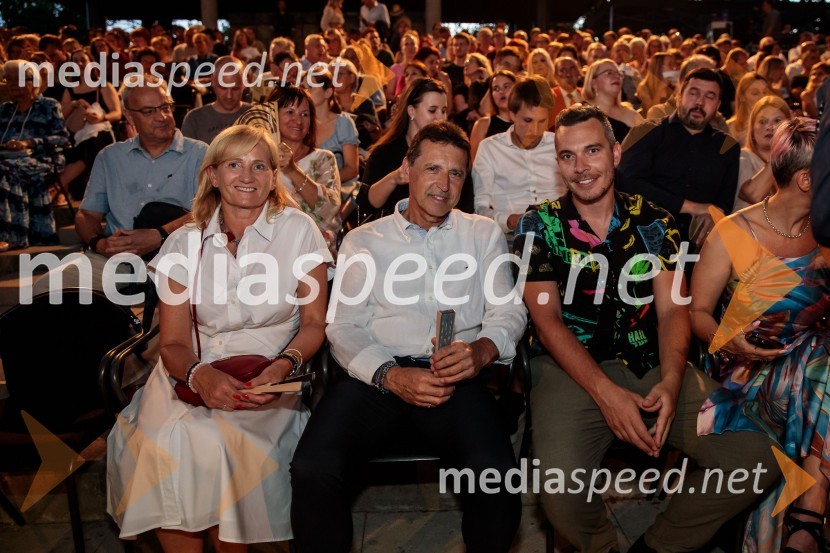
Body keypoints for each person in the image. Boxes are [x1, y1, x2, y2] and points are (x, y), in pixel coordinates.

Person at [513, 104, 782, 553]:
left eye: (593, 151)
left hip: (652, 363)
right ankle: (601, 546)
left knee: (759, 457)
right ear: (557, 163)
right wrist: (606, 394)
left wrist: (674, 384)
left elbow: (673, 312)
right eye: (567, 156)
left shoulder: (655, 222)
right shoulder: (538, 226)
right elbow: (547, 321)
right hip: (568, 370)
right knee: (560, 492)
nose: (581, 168)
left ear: (617, 154)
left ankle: (658, 546)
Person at [291, 120, 526, 553]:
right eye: (433, 169)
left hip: (455, 379)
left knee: (495, 478)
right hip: (377, 377)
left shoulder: (481, 234)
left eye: (456, 173)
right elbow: (342, 324)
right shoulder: (365, 240)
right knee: (312, 468)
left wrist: (482, 350)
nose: (444, 183)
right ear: (408, 169)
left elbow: (509, 310)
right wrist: (391, 376)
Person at [107, 124, 331, 551]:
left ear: (273, 176)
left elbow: (314, 325)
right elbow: (171, 342)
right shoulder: (182, 243)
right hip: (191, 368)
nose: (247, 176)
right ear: (212, 174)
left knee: (219, 445)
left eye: (259, 165)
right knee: (167, 446)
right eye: (234, 164)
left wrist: (282, 367)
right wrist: (199, 375)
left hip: (269, 375)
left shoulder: (298, 230)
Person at [692, 117, 829, 553]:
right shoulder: (735, 232)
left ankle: (804, 516)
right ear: (807, 179)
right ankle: (807, 520)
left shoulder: (826, 234)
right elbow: (696, 313)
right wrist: (733, 342)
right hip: (744, 363)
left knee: (819, 362)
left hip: (810, 359)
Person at [33, 74, 207, 294]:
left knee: (175, 314)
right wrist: (99, 243)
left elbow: (211, 210)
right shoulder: (110, 157)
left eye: (165, 107)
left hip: (180, 261)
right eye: (149, 111)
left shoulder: (200, 153)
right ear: (129, 116)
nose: (162, 116)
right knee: (44, 289)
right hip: (117, 261)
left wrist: (160, 234)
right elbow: (86, 215)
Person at [618, 67, 740, 247]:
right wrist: (690, 206)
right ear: (678, 96)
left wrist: (714, 214)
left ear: (718, 105)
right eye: (694, 93)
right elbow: (627, 183)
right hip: (643, 239)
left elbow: (725, 202)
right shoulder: (647, 133)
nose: (700, 101)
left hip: (699, 246)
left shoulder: (727, 147)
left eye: (710, 96)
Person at [472, 76, 565, 239]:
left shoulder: (560, 144)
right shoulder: (490, 148)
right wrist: (509, 220)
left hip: (561, 231)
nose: (535, 129)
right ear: (512, 114)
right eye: (527, 120)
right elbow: (480, 209)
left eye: (542, 121)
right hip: (511, 236)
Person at [0, 60, 70, 251]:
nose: (13, 85)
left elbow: (62, 137)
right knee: (6, 167)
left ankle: (13, 235)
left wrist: (29, 143)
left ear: (33, 81)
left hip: (43, 158)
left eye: (18, 80)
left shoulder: (48, 105)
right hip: (7, 158)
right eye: (9, 80)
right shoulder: (5, 109)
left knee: (6, 171)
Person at [269, 85, 341, 254]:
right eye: (290, 112)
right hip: (269, 248)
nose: (298, 120)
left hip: (314, 250)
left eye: (305, 114)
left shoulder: (323, 159)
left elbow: (330, 207)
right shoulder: (259, 160)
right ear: (273, 116)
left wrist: (292, 170)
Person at [57, 50, 122, 201]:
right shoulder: (70, 88)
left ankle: (57, 188)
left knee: (91, 144)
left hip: (101, 132)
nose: (79, 64)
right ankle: (60, 189)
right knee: (82, 147)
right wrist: (74, 104)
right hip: (77, 133)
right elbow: (61, 116)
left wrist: (101, 117)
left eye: (83, 60)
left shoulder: (103, 85)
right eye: (76, 60)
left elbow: (117, 113)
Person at [733, 95, 791, 211]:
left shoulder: (794, 162)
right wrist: (778, 153)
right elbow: (754, 195)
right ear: (752, 130)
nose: (769, 127)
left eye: (777, 120)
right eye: (762, 121)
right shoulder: (742, 157)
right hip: (745, 228)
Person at [303, 70, 360, 184]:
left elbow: (352, 169)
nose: (305, 92)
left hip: (338, 189)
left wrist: (320, 183)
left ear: (328, 92)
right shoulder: (300, 122)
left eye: (311, 87)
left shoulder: (343, 123)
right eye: (303, 87)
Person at [182, 57, 251, 145]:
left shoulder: (256, 115)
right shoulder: (194, 119)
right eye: (223, 88)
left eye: (235, 88)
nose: (229, 95)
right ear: (213, 82)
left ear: (244, 84)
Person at [581, 58, 644, 143]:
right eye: (609, 73)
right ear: (593, 82)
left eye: (619, 73)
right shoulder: (581, 113)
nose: (617, 76)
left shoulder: (632, 114)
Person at [469, 69, 516, 160]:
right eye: (496, 89)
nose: (501, 91)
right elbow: (473, 163)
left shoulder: (526, 123)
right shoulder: (483, 124)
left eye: (506, 86)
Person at [726, 72, 770, 146]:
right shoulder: (730, 127)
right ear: (742, 96)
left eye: (765, 92)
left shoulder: (776, 124)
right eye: (755, 93)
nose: (762, 97)